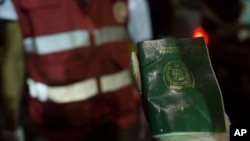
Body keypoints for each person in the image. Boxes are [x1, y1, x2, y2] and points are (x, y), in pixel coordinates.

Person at [0, 0, 152, 141]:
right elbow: (14, 61)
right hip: (56, 125)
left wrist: (150, 109)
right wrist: (11, 125)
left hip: (119, 119)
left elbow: (146, 53)